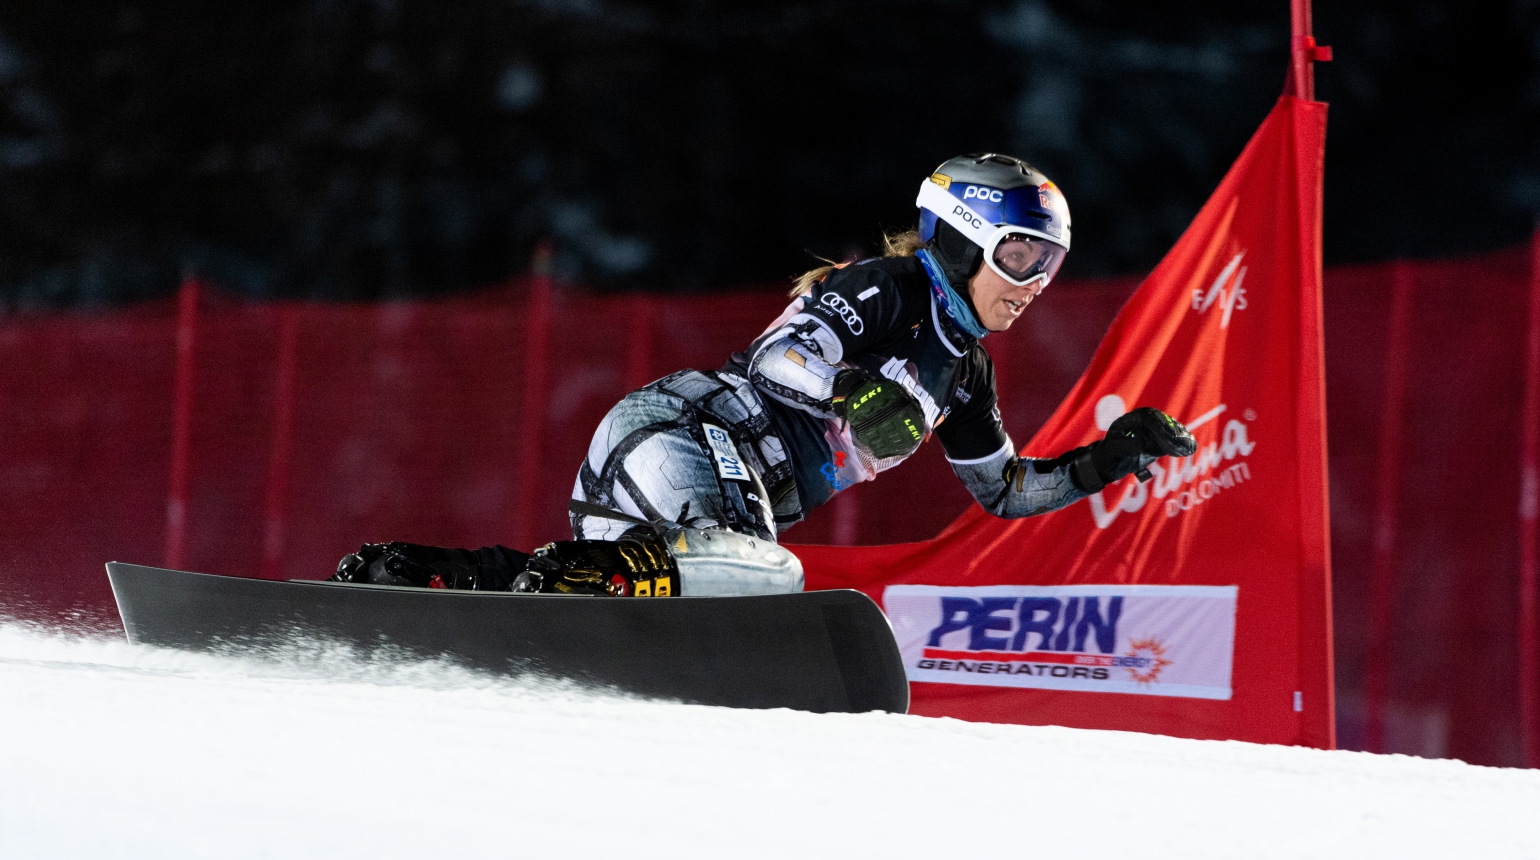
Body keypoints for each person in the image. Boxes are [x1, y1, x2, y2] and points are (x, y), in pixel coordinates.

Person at [332, 153, 1197, 596]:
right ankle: (571, 580)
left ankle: (418, 574)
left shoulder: (966, 373)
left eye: (1050, 263)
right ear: (965, 239)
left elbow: (1004, 492)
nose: (1035, 283)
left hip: (706, 488)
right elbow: (780, 357)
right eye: (1020, 255)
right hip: (688, 435)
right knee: (767, 579)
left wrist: (1104, 460)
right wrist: (855, 392)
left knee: (698, 580)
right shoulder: (891, 288)